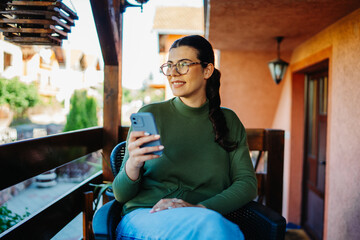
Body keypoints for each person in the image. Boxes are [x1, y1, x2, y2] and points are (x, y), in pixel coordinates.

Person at [112, 35, 257, 240]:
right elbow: (120, 195)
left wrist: (199, 208)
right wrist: (133, 165)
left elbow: (247, 184)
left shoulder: (229, 120)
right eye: (169, 65)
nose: (173, 73)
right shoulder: (151, 114)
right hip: (145, 217)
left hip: (203, 220)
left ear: (207, 70)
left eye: (183, 64)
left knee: (213, 227)